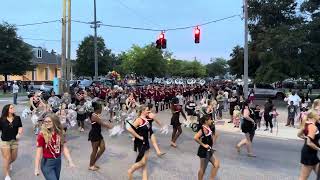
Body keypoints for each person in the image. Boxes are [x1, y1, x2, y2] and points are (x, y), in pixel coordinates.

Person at [34, 114, 75, 179]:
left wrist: (70, 161)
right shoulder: (42, 135)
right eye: (46, 121)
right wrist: (36, 168)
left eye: (49, 121)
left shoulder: (60, 132)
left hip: (58, 161)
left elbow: (64, 148)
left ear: (55, 122)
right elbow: (38, 153)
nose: (47, 123)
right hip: (47, 163)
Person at [127, 105, 151, 180]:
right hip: (141, 143)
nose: (149, 111)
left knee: (144, 163)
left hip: (146, 141)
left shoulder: (146, 119)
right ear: (142, 111)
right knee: (143, 162)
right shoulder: (139, 120)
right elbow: (130, 129)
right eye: (147, 110)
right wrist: (138, 137)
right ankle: (130, 171)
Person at [88, 102, 113, 171]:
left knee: (103, 148)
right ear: (97, 109)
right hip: (94, 134)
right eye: (101, 109)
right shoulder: (94, 116)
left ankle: (93, 163)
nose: (102, 110)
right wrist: (110, 127)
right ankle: (91, 165)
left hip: (98, 134)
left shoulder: (96, 114)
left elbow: (102, 121)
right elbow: (102, 123)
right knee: (94, 150)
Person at [0, 104, 23, 180]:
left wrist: (19, 134)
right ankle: (7, 175)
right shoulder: (2, 119)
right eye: (11, 108)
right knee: (7, 158)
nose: (13, 109)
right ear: (7, 110)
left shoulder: (17, 118)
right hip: (5, 141)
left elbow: (20, 127)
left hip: (14, 141)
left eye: (13, 107)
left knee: (13, 158)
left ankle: (8, 164)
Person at [194, 115, 220, 180]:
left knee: (216, 165)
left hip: (208, 150)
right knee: (202, 168)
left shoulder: (208, 127)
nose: (211, 121)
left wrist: (214, 138)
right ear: (206, 121)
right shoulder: (203, 129)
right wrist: (204, 145)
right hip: (203, 151)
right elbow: (195, 137)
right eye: (210, 119)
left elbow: (211, 140)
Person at [297, 110, 320, 180]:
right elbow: (309, 143)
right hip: (309, 154)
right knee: (303, 178)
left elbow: (299, 135)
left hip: (312, 154)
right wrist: (319, 149)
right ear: (314, 117)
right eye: (318, 115)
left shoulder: (306, 124)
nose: (319, 117)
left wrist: (306, 137)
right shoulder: (313, 127)